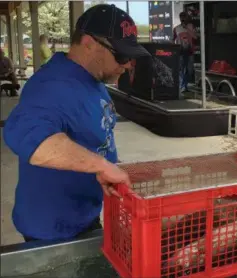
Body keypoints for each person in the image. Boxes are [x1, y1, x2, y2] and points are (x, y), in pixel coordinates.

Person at [3, 4, 150, 242]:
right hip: (51, 228)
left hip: (85, 213)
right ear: (89, 43)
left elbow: (94, 137)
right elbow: (26, 134)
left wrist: (114, 166)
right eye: (122, 55)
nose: (128, 64)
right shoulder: (52, 85)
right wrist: (102, 166)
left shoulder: (93, 79)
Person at [173, 12, 196, 94]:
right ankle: (183, 86)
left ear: (187, 18)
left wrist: (187, 28)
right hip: (181, 51)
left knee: (189, 70)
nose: (183, 19)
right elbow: (172, 39)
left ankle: (184, 85)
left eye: (184, 17)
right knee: (182, 69)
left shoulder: (191, 26)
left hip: (190, 51)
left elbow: (195, 36)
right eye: (181, 18)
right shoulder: (176, 29)